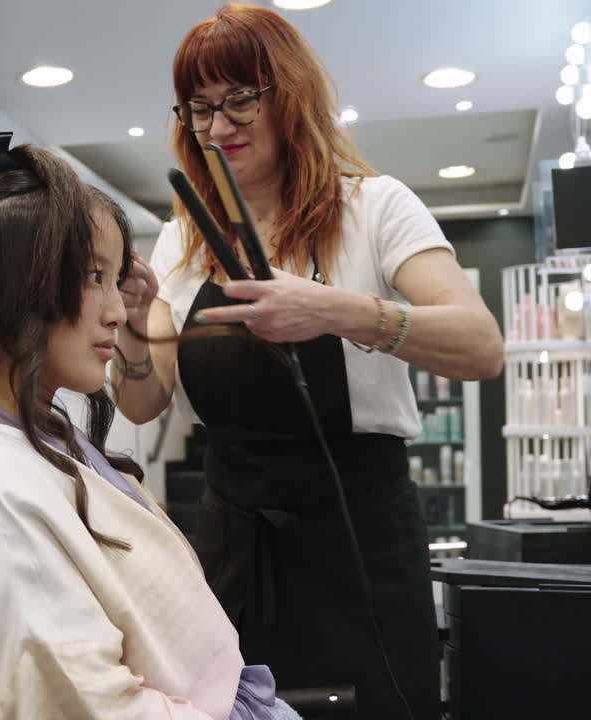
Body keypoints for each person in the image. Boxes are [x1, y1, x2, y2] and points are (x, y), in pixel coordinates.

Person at [113, 5, 503, 719]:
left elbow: (481, 347)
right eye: (201, 109)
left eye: (240, 100)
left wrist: (338, 311)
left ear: (288, 96)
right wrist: (135, 328)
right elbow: (143, 402)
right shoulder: (183, 241)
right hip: (236, 549)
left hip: (360, 543)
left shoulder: (377, 209)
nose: (219, 127)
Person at [0, 137, 302, 720]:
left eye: (115, 278)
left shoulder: (42, 438)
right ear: (4, 291)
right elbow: (79, 707)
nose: (118, 311)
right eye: (92, 276)